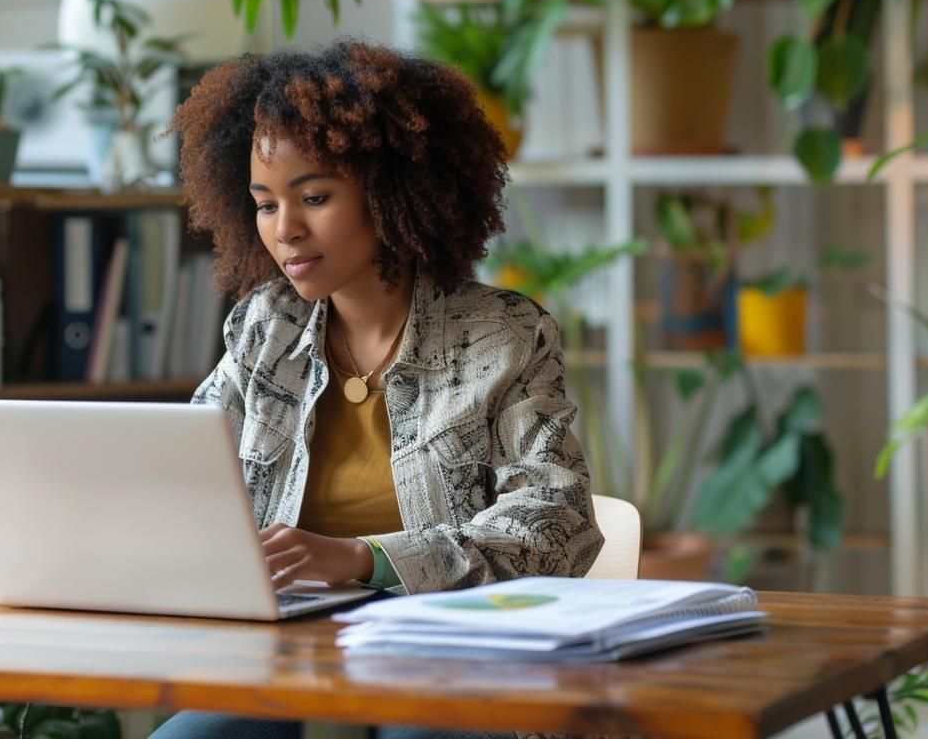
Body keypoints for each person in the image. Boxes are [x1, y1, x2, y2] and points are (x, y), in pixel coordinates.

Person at [150, 40, 603, 739]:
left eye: (315, 197)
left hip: (454, 658)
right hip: (283, 654)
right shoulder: (264, 328)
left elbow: (556, 523)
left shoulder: (504, 335)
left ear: (390, 190)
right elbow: (183, 480)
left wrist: (367, 559)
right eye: (264, 205)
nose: (285, 230)